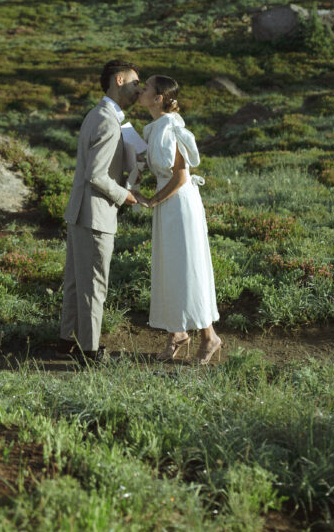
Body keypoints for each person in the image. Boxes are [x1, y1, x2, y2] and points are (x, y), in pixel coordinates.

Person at [57, 59, 141, 363]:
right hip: (96, 214)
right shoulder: (108, 120)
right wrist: (125, 195)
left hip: (80, 211)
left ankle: (67, 340)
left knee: (76, 282)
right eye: (134, 83)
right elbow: (96, 174)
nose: (138, 90)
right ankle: (90, 351)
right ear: (118, 81)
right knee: (94, 284)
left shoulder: (96, 114)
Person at [136, 74, 221, 365]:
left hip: (179, 205)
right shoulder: (158, 126)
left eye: (145, 88)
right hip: (169, 205)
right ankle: (178, 333)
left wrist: (152, 200)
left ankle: (209, 337)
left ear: (158, 98)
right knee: (170, 266)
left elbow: (181, 177)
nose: (140, 91)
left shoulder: (169, 127)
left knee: (187, 267)